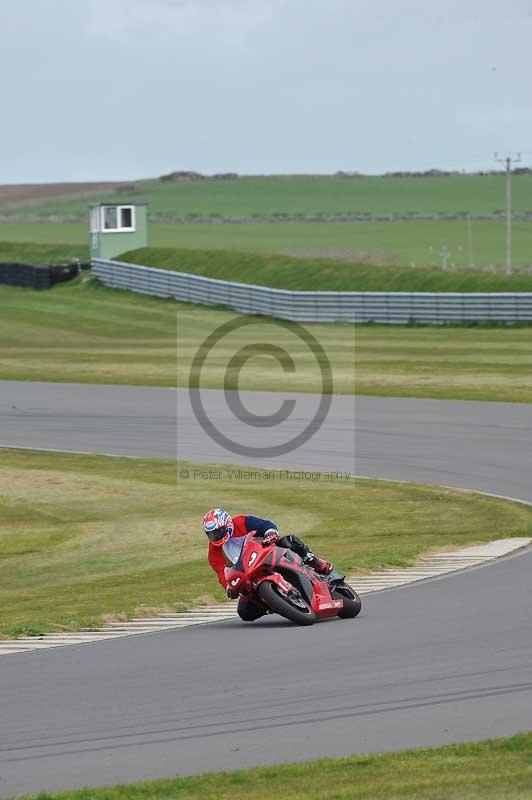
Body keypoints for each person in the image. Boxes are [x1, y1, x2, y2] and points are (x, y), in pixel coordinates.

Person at [203, 507, 333, 621]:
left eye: (218, 532)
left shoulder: (240, 522)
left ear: (227, 524)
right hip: (247, 571)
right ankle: (276, 604)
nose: (216, 536)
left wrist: (270, 532)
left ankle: (316, 562)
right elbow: (221, 573)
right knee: (244, 612)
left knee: (288, 541)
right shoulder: (213, 553)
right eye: (212, 534)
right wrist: (229, 588)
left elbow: (264, 525)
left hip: (265, 551)